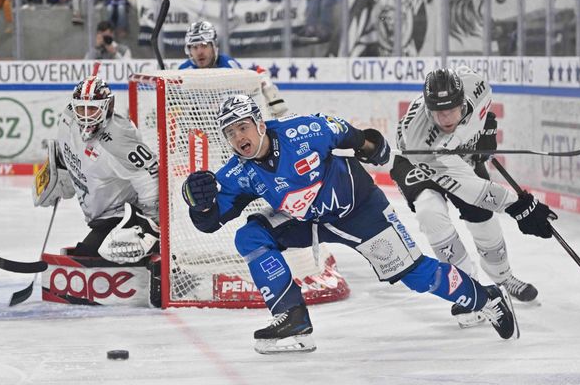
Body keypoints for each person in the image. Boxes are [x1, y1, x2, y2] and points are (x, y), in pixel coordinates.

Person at [180, 94, 543, 354]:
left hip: (360, 210)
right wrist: (199, 203)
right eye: (230, 133)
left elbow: (356, 137)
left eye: (243, 127)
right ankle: (292, 317)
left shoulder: (304, 130)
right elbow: (211, 222)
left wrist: (375, 147)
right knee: (250, 235)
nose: (238, 138)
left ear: (259, 122)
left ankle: (486, 297)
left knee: (416, 275)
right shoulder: (234, 173)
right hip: (309, 221)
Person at [390, 66, 555, 326]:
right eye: (437, 112)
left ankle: (503, 275)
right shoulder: (418, 138)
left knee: (482, 216)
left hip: (457, 154)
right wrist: (519, 207)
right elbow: (472, 190)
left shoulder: (476, 84)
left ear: (461, 100)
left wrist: (484, 132)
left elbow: (483, 113)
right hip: (416, 161)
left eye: (451, 110)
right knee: (429, 211)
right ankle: (469, 289)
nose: (444, 117)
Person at [32, 75, 161, 304]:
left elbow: (150, 176)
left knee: (88, 256)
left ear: (108, 107)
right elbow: (67, 149)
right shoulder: (68, 118)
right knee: (87, 254)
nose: (85, 116)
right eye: (80, 109)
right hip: (100, 215)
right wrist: (60, 172)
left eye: (92, 109)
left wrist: (152, 225)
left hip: (122, 216)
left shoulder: (119, 138)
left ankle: (156, 256)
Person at [179, 20, 288, 119]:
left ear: (214, 46)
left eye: (204, 45)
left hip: (227, 122)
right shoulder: (183, 71)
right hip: (196, 126)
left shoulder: (228, 65)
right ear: (189, 50)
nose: (199, 52)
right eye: (194, 47)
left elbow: (244, 99)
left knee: (264, 79)